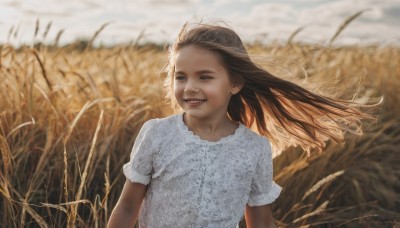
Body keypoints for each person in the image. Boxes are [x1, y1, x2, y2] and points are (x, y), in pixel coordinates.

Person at [107, 22, 373, 228]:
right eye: (181, 77)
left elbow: (260, 221)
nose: (190, 88)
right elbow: (128, 207)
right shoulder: (157, 133)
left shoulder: (254, 147)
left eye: (205, 77)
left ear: (234, 83)